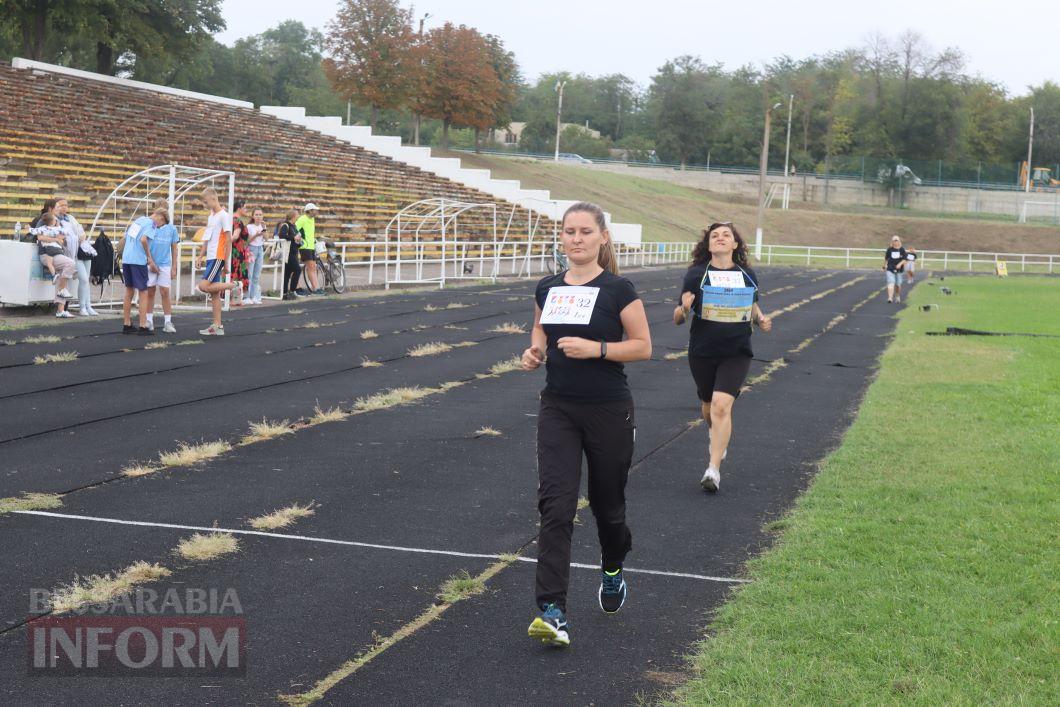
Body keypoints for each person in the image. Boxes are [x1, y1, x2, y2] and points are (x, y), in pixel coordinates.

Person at [521, 201, 652, 648]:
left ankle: (613, 569)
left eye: (584, 232)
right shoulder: (547, 288)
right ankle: (552, 611)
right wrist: (534, 352)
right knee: (555, 506)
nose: (575, 239)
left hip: (608, 410)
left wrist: (597, 349)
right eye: (568, 231)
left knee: (607, 507)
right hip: (558, 408)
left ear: (602, 237)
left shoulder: (619, 289)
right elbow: (541, 333)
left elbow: (642, 347)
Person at [673, 222, 772, 492]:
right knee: (708, 408)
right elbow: (678, 318)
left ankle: (713, 469)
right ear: (708, 244)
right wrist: (684, 308)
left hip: (736, 351)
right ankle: (717, 433)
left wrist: (761, 319)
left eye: (725, 235)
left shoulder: (746, 274)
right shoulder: (696, 274)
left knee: (720, 406)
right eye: (714, 236)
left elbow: (751, 303)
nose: (720, 238)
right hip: (703, 350)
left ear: (735, 244)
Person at [195, 188, 237, 336]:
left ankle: (234, 286)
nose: (205, 205)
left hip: (218, 256)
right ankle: (217, 326)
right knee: (214, 293)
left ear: (213, 198)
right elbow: (207, 238)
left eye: (206, 202)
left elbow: (228, 241)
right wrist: (200, 256)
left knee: (203, 286)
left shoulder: (224, 216)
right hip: (211, 257)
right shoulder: (211, 216)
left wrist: (225, 262)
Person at [55, 197, 98, 316]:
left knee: (87, 280)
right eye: (61, 205)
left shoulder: (71, 217)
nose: (64, 207)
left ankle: (88, 306)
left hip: (83, 250)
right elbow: (64, 238)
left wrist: (79, 238)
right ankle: (82, 307)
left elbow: (81, 233)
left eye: (66, 205)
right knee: (83, 279)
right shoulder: (55, 220)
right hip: (72, 254)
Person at [120, 212, 157, 335]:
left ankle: (127, 323)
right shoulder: (152, 224)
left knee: (129, 290)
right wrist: (149, 257)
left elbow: (125, 237)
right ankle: (143, 325)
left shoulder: (139, 220)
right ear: (161, 218)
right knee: (143, 291)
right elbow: (143, 239)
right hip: (138, 260)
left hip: (127, 258)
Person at [144, 208, 179, 333]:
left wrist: (174, 267)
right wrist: (150, 262)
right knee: (150, 291)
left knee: (165, 291)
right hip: (150, 264)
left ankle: (168, 322)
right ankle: (149, 320)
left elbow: (174, 249)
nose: (152, 218)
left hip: (165, 265)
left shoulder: (172, 229)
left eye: (155, 216)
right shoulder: (150, 227)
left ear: (161, 218)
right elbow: (145, 245)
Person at [296, 203, 321, 295]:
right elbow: (295, 229)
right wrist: (300, 239)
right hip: (305, 247)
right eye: (315, 210)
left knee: (313, 267)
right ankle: (316, 289)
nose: (317, 211)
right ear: (310, 211)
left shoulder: (312, 219)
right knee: (310, 267)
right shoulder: (302, 219)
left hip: (311, 246)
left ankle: (316, 288)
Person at [278, 209, 303, 300]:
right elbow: (282, 235)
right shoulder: (286, 225)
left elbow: (295, 238)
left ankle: (285, 293)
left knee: (287, 273)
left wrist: (299, 241)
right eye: (297, 215)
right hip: (288, 253)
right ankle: (292, 290)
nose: (298, 216)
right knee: (297, 270)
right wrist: (294, 238)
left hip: (293, 251)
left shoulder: (294, 226)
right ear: (293, 216)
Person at [244, 208, 267, 305]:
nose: (258, 216)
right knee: (250, 274)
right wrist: (256, 235)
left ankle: (254, 296)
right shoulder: (249, 227)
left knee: (256, 275)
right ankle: (247, 296)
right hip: (252, 250)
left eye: (260, 214)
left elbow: (267, 238)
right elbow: (247, 241)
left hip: (260, 249)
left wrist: (264, 230)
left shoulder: (263, 226)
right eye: (256, 214)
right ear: (253, 216)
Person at [229, 199, 249, 305]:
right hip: (237, 252)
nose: (246, 210)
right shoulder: (237, 220)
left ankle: (235, 299)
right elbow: (235, 236)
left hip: (233, 251)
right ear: (239, 208)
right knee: (237, 274)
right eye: (245, 208)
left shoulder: (230, 219)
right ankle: (234, 299)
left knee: (234, 274)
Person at [31, 213, 63, 279]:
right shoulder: (55, 229)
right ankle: (59, 273)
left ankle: (54, 275)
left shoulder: (43, 229)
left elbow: (35, 233)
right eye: (55, 220)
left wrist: (29, 228)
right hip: (58, 249)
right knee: (57, 264)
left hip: (49, 249)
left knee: (49, 263)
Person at [883, 235, 908, 303]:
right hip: (890, 268)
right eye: (894, 241)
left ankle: (897, 296)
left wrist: (900, 264)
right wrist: (885, 265)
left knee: (898, 284)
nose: (896, 242)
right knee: (891, 282)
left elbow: (905, 259)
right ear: (892, 242)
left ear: (899, 241)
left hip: (899, 270)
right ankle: (890, 298)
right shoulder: (889, 249)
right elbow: (886, 258)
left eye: (897, 240)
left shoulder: (902, 249)